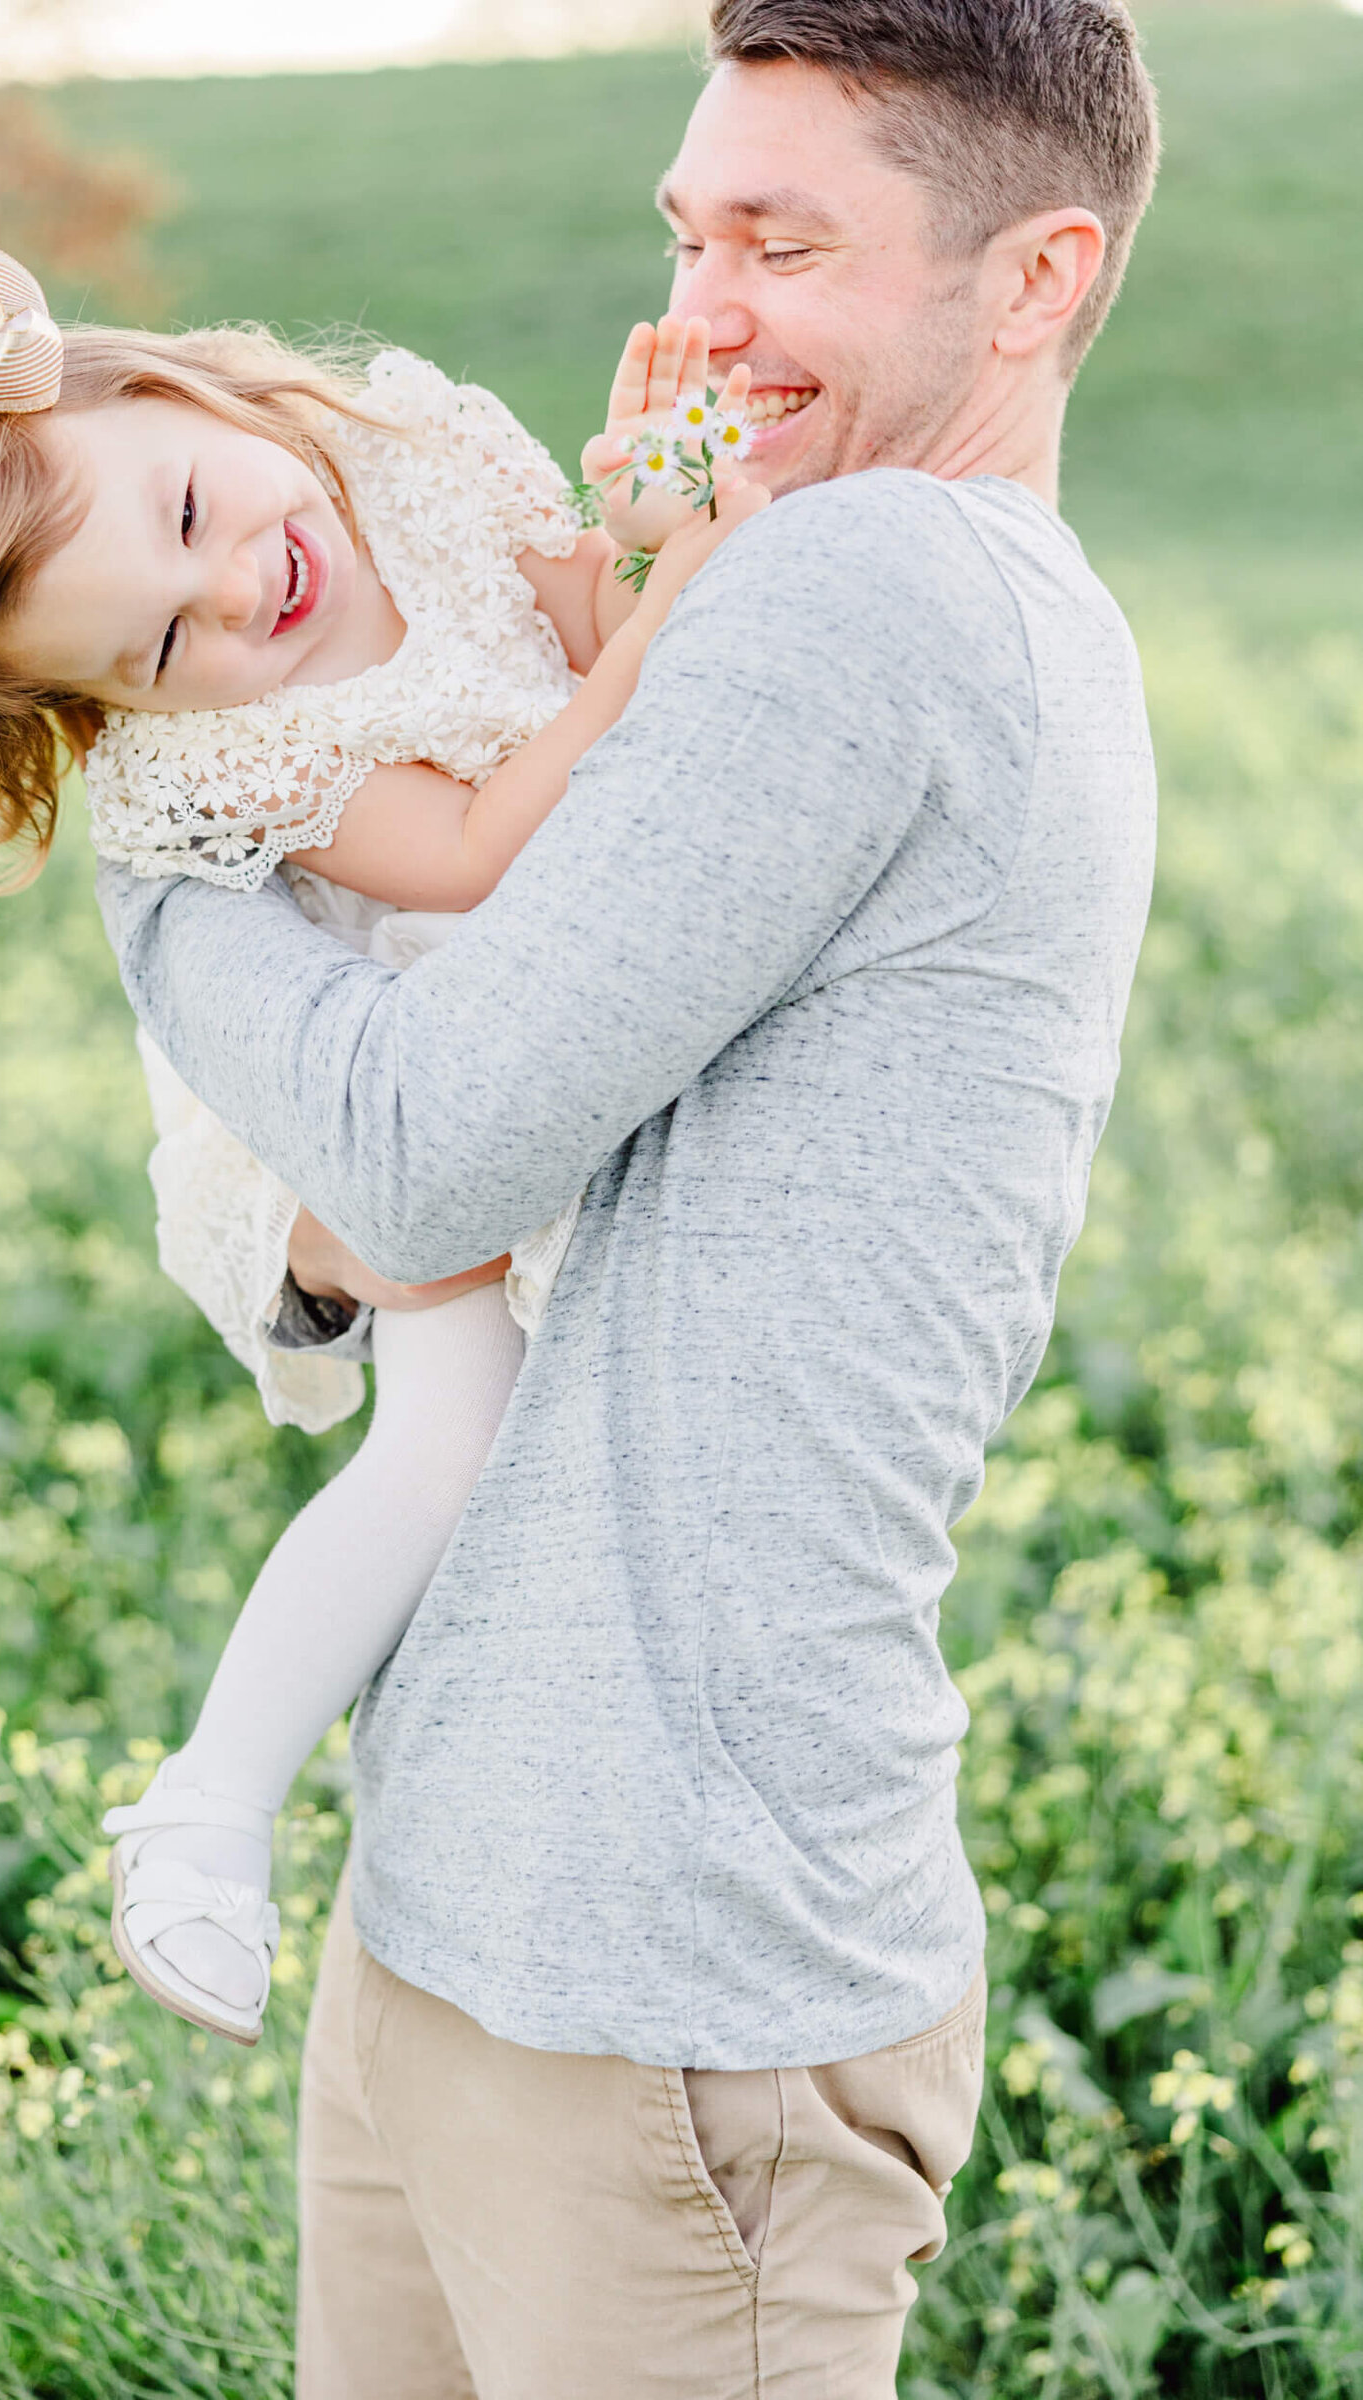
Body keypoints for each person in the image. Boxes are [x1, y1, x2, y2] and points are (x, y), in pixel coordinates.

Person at [95, 2, 1163, 2391]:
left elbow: (417, 1145)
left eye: (782, 246)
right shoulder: (806, 573)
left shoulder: (865, 585)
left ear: (1030, 282)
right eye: (687, 231)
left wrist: (147, 836)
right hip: (469, 1900)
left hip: (667, 1990)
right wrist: (303, 1241)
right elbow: (394, 1204)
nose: (700, 309)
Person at [0, 250, 768, 2046]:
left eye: (190, 507)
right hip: (410, 1039)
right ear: (114, 710)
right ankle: (212, 1807)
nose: (235, 593)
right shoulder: (201, 768)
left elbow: (595, 617)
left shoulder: (405, 442)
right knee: (445, 1447)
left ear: (188, 393)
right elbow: (467, 850)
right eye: (160, 644)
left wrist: (645, 529)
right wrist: (682, 600)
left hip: (592, 962)